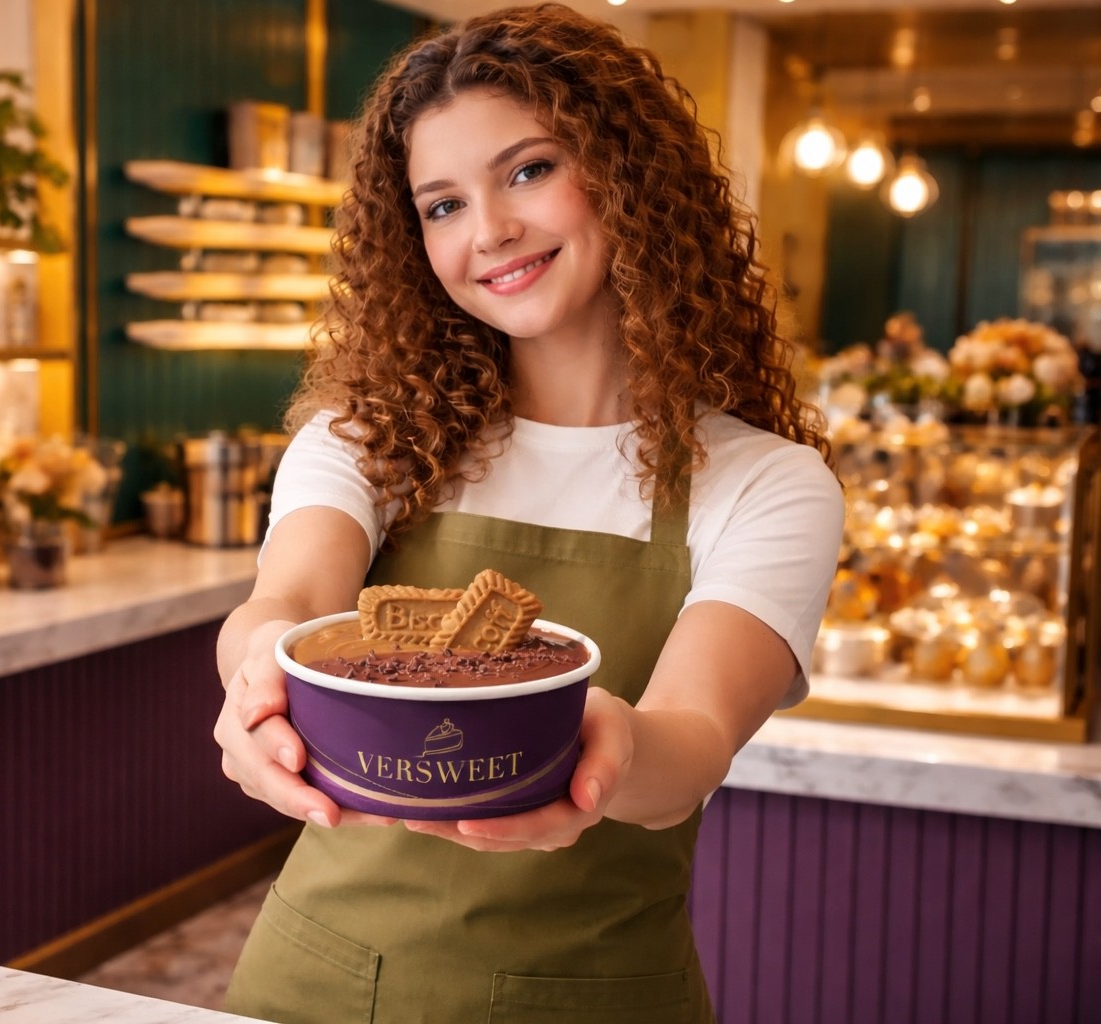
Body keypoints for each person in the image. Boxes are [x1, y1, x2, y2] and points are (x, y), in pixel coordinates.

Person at [212, 6, 844, 1022]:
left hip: (595, 995)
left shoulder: (765, 484)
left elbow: (691, 741)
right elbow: (286, 596)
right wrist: (258, 674)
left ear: (632, 174)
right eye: (443, 204)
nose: (490, 231)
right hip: (314, 982)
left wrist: (604, 751)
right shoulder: (366, 438)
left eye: (529, 170)